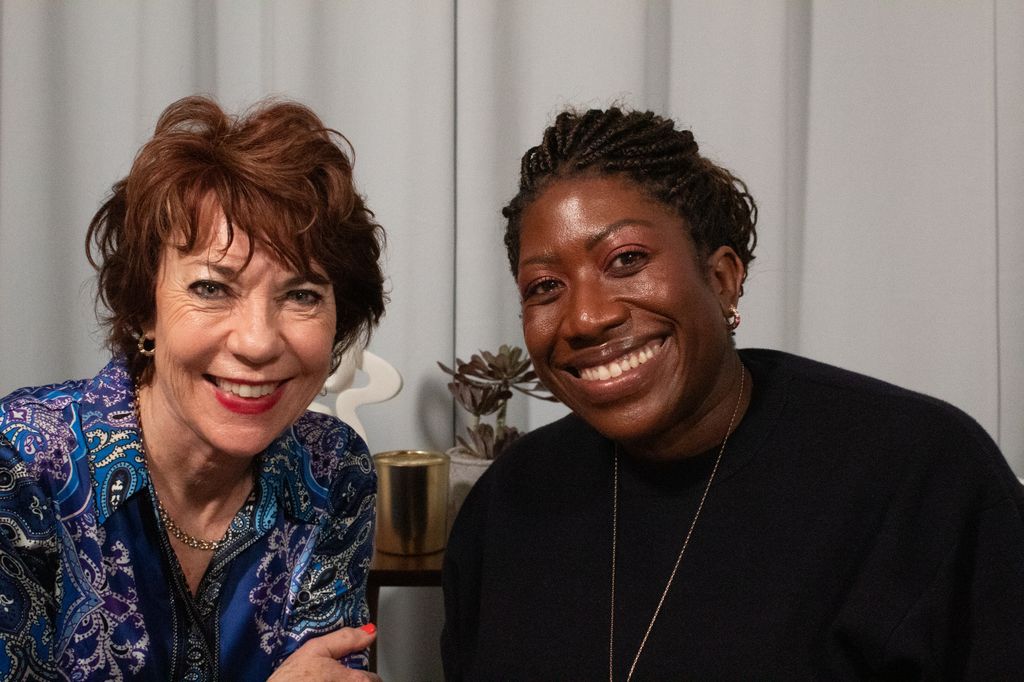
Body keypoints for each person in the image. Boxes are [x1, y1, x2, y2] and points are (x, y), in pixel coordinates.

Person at [441, 107, 1024, 680]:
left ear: (722, 279)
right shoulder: (509, 504)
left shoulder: (923, 473)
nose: (585, 318)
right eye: (545, 286)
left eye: (627, 260)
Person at [0, 96, 386, 680]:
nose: (258, 342)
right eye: (212, 288)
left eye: (302, 295)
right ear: (143, 309)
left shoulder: (334, 471)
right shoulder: (22, 462)